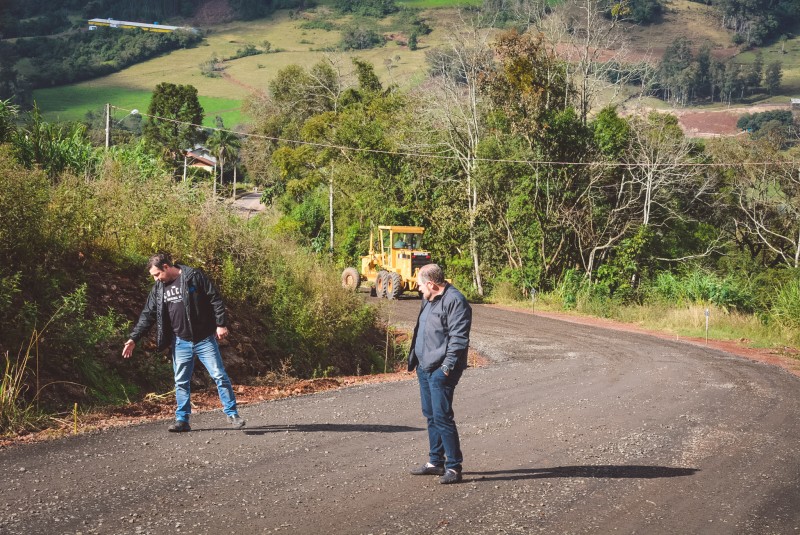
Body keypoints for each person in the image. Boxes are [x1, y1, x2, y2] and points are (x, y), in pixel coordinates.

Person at [122, 253, 245, 432]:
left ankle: (232, 414)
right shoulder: (158, 289)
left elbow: (215, 299)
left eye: (157, 274)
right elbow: (147, 315)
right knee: (181, 381)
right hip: (180, 341)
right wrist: (134, 338)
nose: (156, 279)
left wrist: (221, 324)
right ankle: (182, 420)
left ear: (166, 267)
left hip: (204, 339)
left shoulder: (193, 277)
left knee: (219, 375)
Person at [407, 264, 472, 484]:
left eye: (419, 284)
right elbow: (421, 330)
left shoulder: (455, 301)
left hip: (442, 370)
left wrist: (446, 367)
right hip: (424, 367)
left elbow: (458, 338)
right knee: (431, 414)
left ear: (431, 284)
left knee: (442, 416)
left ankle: (454, 467)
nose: (418, 288)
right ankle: (436, 462)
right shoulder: (428, 298)